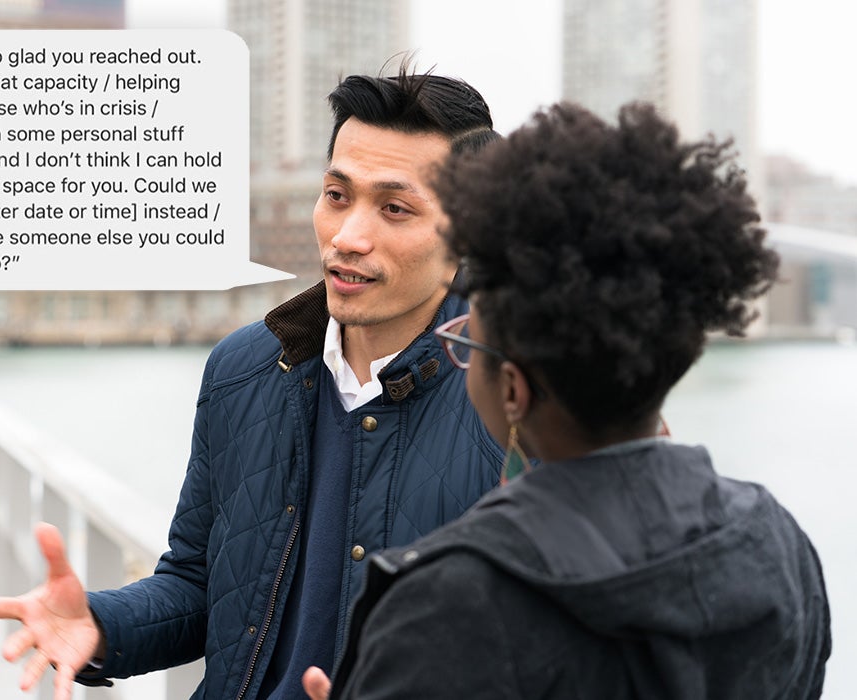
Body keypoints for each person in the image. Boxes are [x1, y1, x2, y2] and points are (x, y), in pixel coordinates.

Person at [0, 66, 506, 700]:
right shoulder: (247, 369)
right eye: (337, 196)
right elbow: (201, 584)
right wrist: (101, 621)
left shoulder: (515, 400)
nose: (347, 236)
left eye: (394, 208)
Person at [306, 101, 832, 700]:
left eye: (467, 340)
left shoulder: (446, 605)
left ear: (512, 391)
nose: (460, 348)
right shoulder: (773, 541)